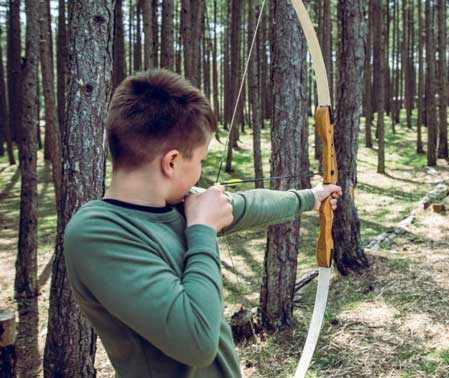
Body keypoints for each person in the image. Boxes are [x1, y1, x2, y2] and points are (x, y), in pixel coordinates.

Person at [63, 69, 341, 378]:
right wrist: (203, 230)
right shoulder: (96, 233)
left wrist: (311, 197)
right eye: (200, 161)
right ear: (171, 162)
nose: (200, 172)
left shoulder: (180, 203)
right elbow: (197, 340)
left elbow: (249, 205)